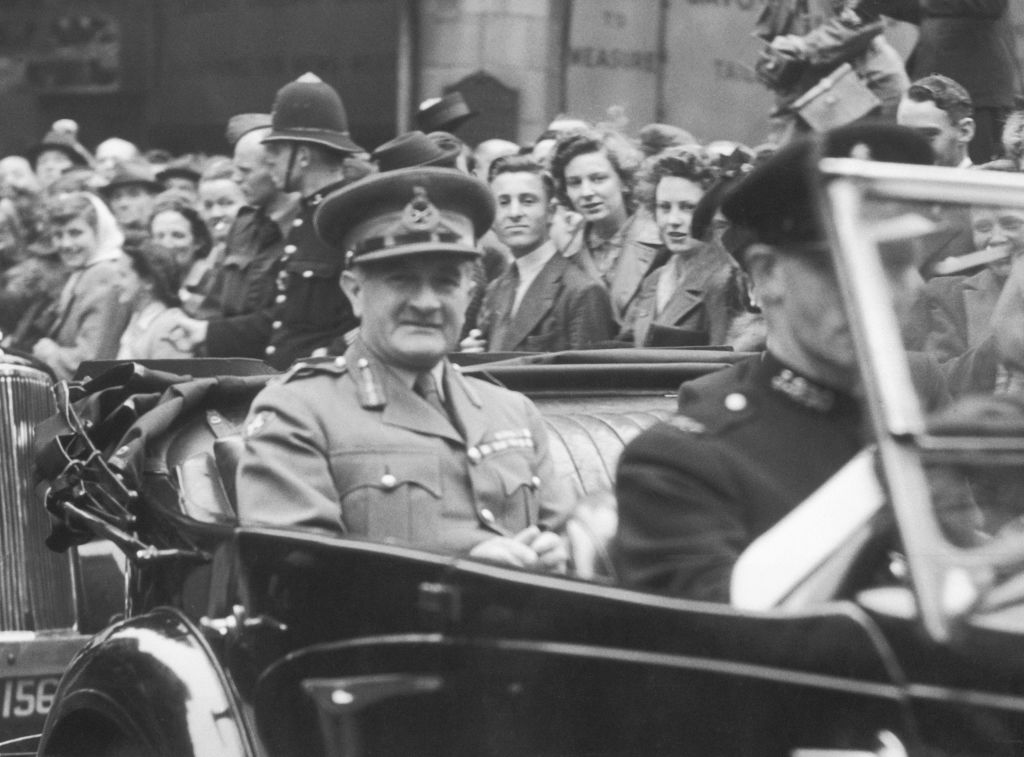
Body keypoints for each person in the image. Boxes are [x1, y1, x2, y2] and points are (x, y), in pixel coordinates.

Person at [612, 123, 938, 602]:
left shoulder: (924, 424)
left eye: (905, 263)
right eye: (854, 264)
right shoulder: (682, 462)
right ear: (767, 274)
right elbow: (723, 645)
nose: (895, 291)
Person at [236, 166, 570, 571]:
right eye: (401, 280)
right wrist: (458, 570)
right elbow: (293, 576)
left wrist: (559, 554)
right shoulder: (297, 413)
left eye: (445, 282)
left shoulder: (513, 411)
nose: (426, 303)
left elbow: (566, 535)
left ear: (468, 294)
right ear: (355, 292)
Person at [164, 114, 299, 357]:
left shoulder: (307, 228)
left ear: (276, 168)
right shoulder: (243, 226)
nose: (236, 178)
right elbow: (216, 304)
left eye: (245, 170)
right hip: (233, 369)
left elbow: (290, 319)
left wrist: (209, 332)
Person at [257, 72, 364, 368]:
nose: (268, 160)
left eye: (276, 150)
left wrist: (334, 353)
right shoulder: (306, 215)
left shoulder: (352, 218)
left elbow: (378, 313)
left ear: (303, 155)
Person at [462, 156, 614, 353]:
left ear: (550, 212)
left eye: (528, 201)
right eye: (503, 202)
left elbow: (587, 380)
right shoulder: (495, 289)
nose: (515, 213)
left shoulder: (581, 291)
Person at [620, 146, 750, 348]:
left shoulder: (727, 279)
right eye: (664, 207)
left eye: (688, 207)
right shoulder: (654, 279)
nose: (673, 220)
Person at [549, 128, 665, 324]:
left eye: (598, 179)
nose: (586, 192)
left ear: (625, 181)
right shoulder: (564, 247)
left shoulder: (661, 241)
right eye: (575, 182)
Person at [880, 0, 1018, 164]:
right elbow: (925, 12)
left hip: (976, 89)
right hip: (933, 78)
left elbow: (990, 5)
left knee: (973, 182)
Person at [30, 192, 129, 381]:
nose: (66, 244)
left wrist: (49, 353)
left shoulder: (105, 274)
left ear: (98, 231)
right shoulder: (84, 271)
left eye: (75, 233)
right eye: (58, 235)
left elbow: (93, 361)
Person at [113, 245, 192, 361]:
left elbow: (171, 377)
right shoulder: (137, 317)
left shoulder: (169, 326)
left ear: (148, 282)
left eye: (123, 275)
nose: (115, 283)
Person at [147, 193, 213, 314]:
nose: (167, 244)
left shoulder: (212, 282)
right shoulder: (151, 283)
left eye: (177, 235)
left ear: (198, 242)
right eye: (159, 236)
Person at [99, 160, 162, 251]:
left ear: (153, 197)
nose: (123, 203)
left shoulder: (167, 238)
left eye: (134, 194)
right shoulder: (104, 245)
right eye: (117, 197)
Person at [27, 120, 94, 190]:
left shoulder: (88, 198)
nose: (49, 166)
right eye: (42, 161)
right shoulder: (27, 200)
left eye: (59, 160)